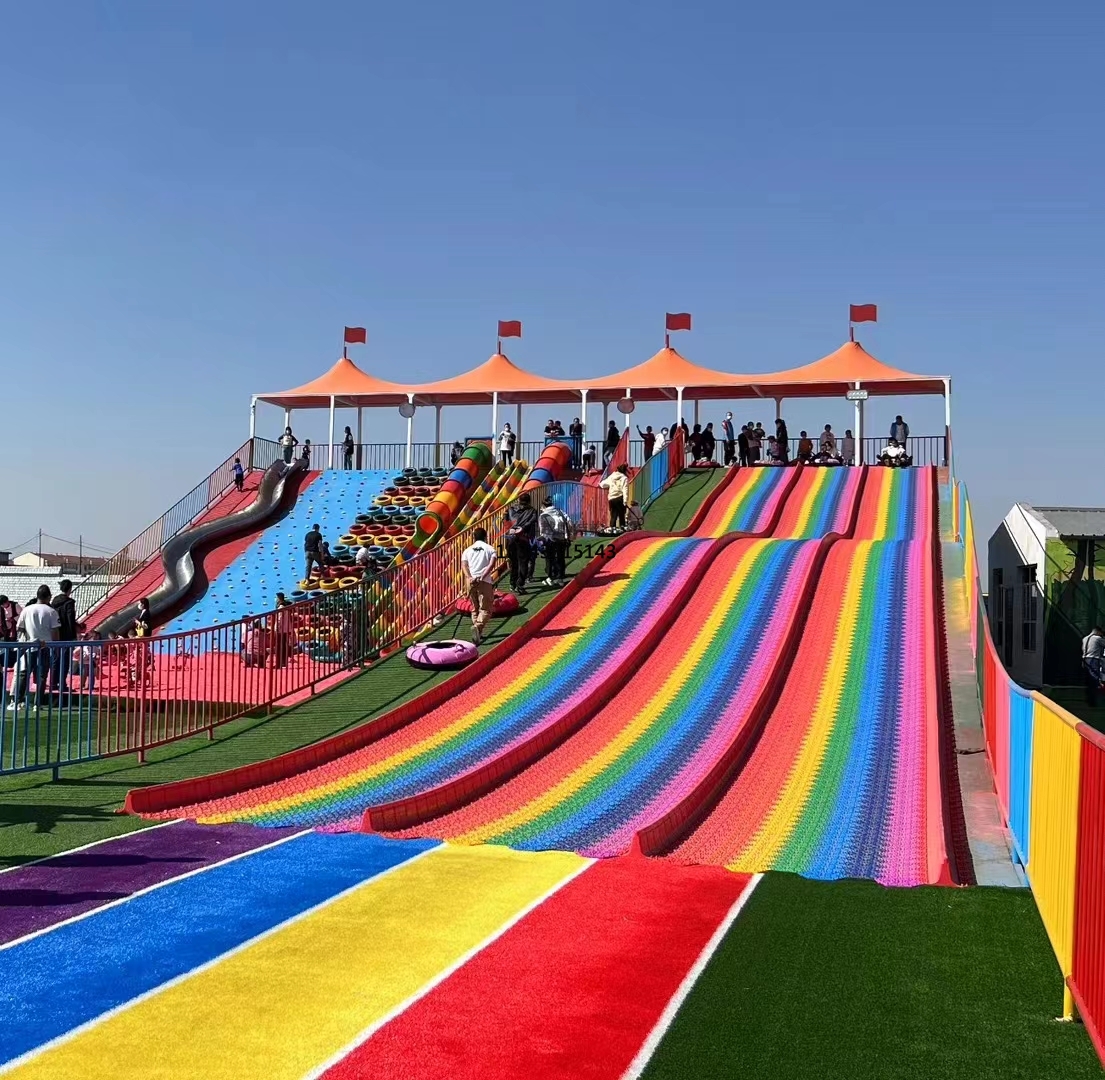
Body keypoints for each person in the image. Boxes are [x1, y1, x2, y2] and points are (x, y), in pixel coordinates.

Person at [9, 585, 60, 710]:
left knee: (24, 673)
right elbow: (55, 631)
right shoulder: (51, 612)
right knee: (42, 675)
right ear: (48, 597)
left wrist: (26, 638)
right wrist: (56, 646)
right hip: (46, 646)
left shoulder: (27, 610)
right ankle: (38, 703)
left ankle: (18, 701)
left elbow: (19, 628)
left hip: (29, 645)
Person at [461, 527, 498, 645]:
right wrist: (482, 576)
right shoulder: (490, 549)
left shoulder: (467, 550)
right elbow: (491, 565)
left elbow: (464, 565)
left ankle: (478, 633)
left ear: (474, 537)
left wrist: (469, 577)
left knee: (475, 607)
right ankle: (478, 626)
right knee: (486, 608)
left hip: (470, 581)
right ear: (485, 537)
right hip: (484, 581)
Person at [50, 579, 79, 694]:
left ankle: (53, 683)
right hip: (66, 635)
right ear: (70, 589)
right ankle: (62, 684)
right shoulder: (69, 602)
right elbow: (70, 619)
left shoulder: (54, 601)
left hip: (55, 634)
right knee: (65, 660)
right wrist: (73, 635)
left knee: (56, 659)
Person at [505, 493, 538, 594]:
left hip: (511, 538)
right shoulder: (532, 511)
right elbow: (531, 523)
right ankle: (520, 584)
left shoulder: (511, 509)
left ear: (519, 500)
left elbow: (506, 522)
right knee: (523, 562)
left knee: (514, 562)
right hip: (523, 538)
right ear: (529, 501)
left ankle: (512, 583)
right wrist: (523, 529)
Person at [539, 496, 572, 587]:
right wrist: (568, 535)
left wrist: (544, 538)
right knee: (561, 558)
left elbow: (543, 530)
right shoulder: (560, 512)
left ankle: (550, 577)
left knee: (550, 558)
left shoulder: (543, 515)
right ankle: (560, 578)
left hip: (550, 539)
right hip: (561, 539)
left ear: (543, 506)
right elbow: (569, 523)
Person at [600, 463, 631, 529]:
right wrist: (625, 501)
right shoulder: (624, 478)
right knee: (621, 515)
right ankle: (622, 528)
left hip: (611, 498)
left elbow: (603, 484)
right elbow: (625, 490)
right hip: (619, 497)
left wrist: (606, 486)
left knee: (613, 515)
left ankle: (612, 528)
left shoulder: (612, 476)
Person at [1084, 626, 1105, 705]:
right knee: (1094, 679)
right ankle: (1093, 701)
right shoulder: (1097, 638)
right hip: (1093, 659)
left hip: (1085, 659)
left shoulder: (1085, 638)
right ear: (1098, 632)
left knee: (1089, 679)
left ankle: (1089, 698)